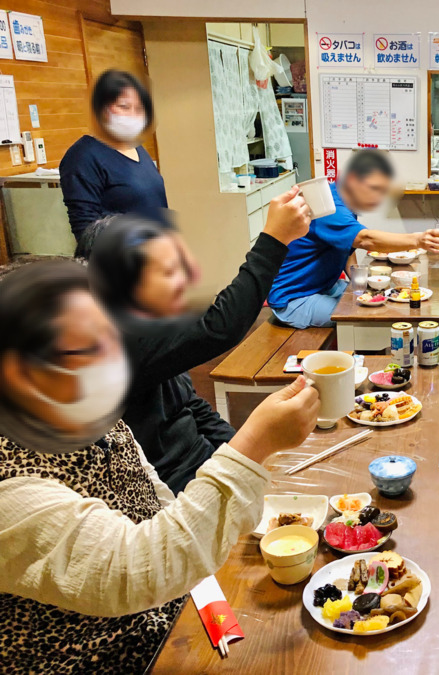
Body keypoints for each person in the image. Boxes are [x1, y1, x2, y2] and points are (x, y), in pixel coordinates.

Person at [0, 260, 320, 674]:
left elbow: (158, 505)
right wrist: (253, 444)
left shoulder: (90, 416)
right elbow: (134, 571)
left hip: (172, 620)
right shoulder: (11, 482)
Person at [80, 185, 311, 493]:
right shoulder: (111, 346)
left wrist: (244, 457)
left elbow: (192, 407)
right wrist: (274, 240)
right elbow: (219, 327)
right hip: (172, 499)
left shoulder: (153, 324)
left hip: (209, 470)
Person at [268, 150, 439, 329]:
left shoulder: (343, 197)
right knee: (370, 317)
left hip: (326, 285)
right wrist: (418, 240)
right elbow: (365, 239)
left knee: (382, 300)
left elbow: (347, 247)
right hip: (295, 299)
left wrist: (360, 287)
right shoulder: (328, 206)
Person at [60, 70, 168, 243]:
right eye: (124, 106)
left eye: (139, 109)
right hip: (120, 261)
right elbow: (85, 228)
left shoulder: (137, 149)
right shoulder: (83, 156)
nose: (132, 114)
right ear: (102, 108)